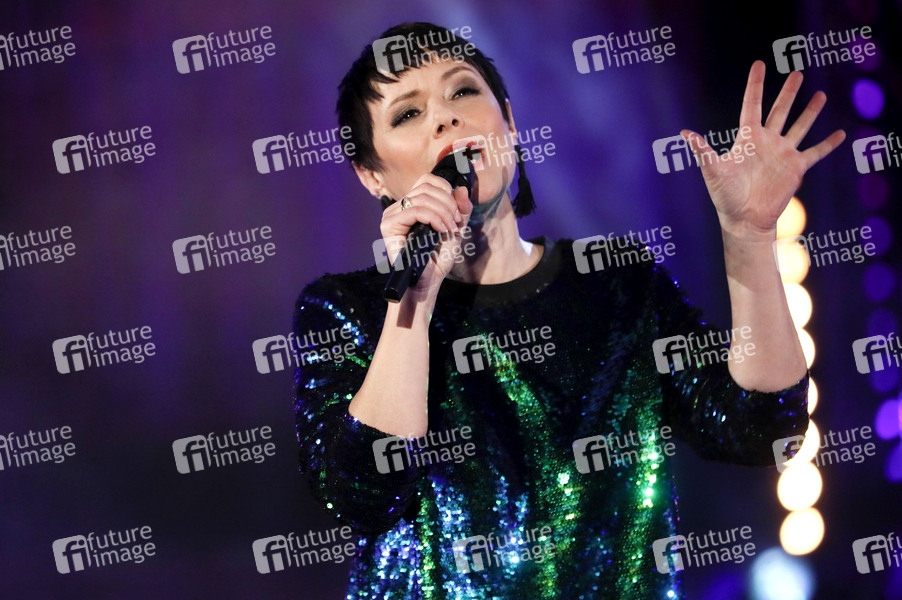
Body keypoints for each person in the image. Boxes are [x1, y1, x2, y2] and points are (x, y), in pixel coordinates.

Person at [292, 22, 844, 598]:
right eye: (408, 113)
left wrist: (749, 237)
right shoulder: (347, 310)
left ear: (508, 122)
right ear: (372, 175)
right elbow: (361, 493)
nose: (445, 118)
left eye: (463, 91)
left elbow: (764, 429)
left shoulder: (617, 284)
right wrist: (418, 293)